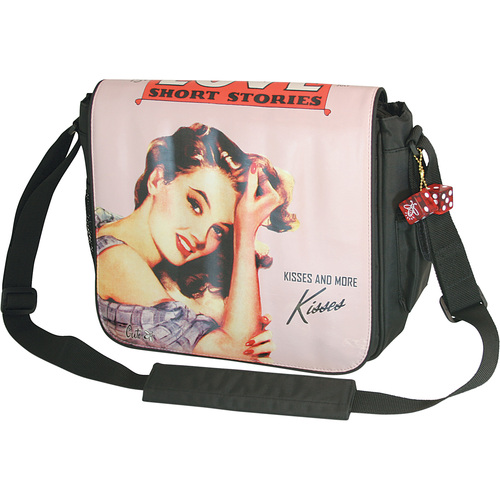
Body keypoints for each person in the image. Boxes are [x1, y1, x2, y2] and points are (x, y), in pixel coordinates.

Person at [96, 123, 298, 363]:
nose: (202, 237)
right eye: (195, 204)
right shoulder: (118, 259)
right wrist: (245, 234)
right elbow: (240, 351)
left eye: (219, 231)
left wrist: (233, 317)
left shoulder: (111, 227)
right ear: (158, 180)